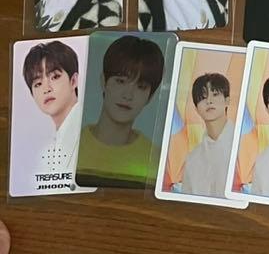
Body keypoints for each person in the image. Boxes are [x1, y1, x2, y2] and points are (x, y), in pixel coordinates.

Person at [77, 34, 165, 188]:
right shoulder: (71, 146)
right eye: (120, 81)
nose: (128, 95)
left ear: (150, 97)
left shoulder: (156, 160)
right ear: (104, 81)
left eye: (141, 87)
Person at [21, 40, 83, 190]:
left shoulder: (90, 132)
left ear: (73, 81)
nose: (46, 88)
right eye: (38, 84)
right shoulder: (47, 151)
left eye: (54, 77)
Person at [177, 72, 234, 197]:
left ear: (227, 101)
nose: (209, 101)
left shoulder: (242, 147)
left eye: (215, 94)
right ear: (196, 109)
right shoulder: (192, 160)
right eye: (203, 97)